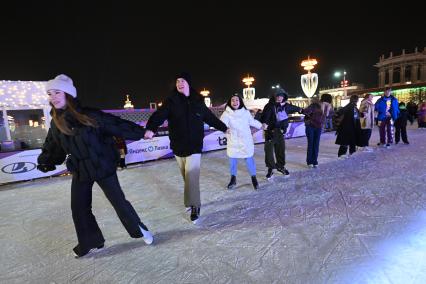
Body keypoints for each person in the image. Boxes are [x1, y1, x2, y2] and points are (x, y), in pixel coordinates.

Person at [37, 74, 153, 258]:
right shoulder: (56, 122)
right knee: (79, 207)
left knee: (118, 202)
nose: (53, 97)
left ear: (68, 94)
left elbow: (115, 124)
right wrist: (46, 161)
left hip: (102, 165)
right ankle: (91, 240)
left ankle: (141, 230)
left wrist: (141, 132)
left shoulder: (89, 114)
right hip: (81, 169)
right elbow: (53, 144)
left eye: (57, 92)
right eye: (50, 93)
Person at [144, 72, 228, 224]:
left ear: (188, 83)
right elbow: (159, 115)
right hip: (178, 145)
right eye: (177, 81)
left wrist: (224, 128)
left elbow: (210, 118)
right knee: (186, 176)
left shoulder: (197, 101)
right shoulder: (171, 101)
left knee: (192, 175)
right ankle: (191, 200)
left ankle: (195, 205)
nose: (179, 83)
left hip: (195, 145)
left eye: (182, 81)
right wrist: (151, 128)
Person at [220, 94, 262, 190]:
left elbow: (252, 121)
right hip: (233, 140)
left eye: (237, 100)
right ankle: (233, 179)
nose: (235, 102)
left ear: (240, 102)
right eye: (233, 100)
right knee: (232, 161)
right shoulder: (227, 113)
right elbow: (222, 123)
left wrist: (261, 125)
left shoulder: (245, 112)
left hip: (245, 140)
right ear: (230, 103)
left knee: (249, 160)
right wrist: (225, 128)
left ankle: (254, 178)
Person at [260, 88, 302, 179]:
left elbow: (295, 108)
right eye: (278, 96)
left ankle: (280, 166)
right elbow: (265, 116)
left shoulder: (286, 106)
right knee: (269, 152)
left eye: (281, 96)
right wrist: (264, 124)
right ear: (274, 96)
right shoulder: (270, 106)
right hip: (270, 132)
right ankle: (270, 168)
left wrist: (301, 110)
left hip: (280, 132)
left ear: (284, 97)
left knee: (280, 151)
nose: (279, 97)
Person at [303, 97, 326, 168]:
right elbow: (325, 116)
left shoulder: (314, 106)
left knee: (312, 144)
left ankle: (311, 161)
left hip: (312, 127)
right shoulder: (319, 107)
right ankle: (314, 161)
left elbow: (304, 112)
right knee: (315, 144)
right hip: (316, 127)